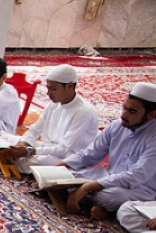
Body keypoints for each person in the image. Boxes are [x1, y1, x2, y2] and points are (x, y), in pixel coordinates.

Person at [56, 82, 156, 219]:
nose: (124, 115)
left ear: (151, 115)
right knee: (66, 177)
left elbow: (136, 176)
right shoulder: (118, 126)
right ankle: (100, 207)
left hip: (140, 189)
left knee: (108, 196)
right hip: (109, 176)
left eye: (132, 112)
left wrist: (90, 186)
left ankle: (106, 208)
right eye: (124, 108)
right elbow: (89, 155)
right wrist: (60, 166)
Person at [5, 64, 99, 174]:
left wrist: (30, 151)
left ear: (69, 86)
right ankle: (8, 155)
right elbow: (35, 129)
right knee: (9, 140)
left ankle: (6, 158)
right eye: (48, 88)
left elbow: (64, 149)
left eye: (53, 89)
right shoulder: (54, 104)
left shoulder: (83, 113)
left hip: (68, 157)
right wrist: (24, 144)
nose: (48, 93)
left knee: (32, 161)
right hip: (48, 148)